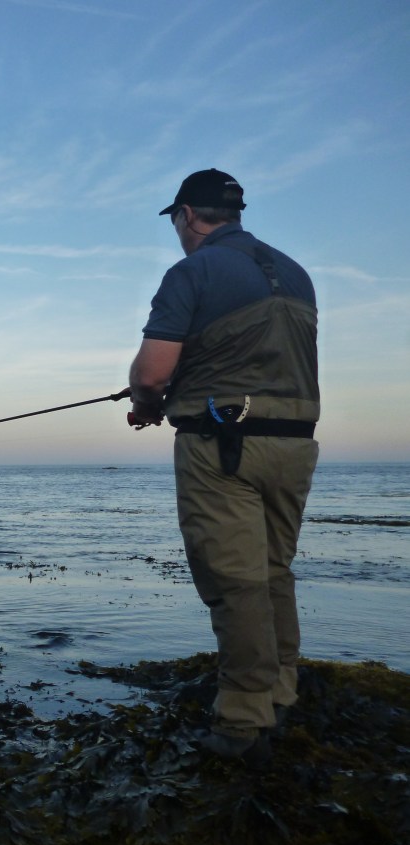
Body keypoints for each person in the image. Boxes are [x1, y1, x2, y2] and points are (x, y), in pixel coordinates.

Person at [128, 169, 320, 764]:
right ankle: (280, 691)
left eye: (178, 221)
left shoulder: (192, 271)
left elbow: (153, 373)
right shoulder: (295, 272)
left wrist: (145, 404)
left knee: (233, 579)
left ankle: (242, 719)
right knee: (272, 570)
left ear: (186, 215)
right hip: (295, 443)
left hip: (221, 447)